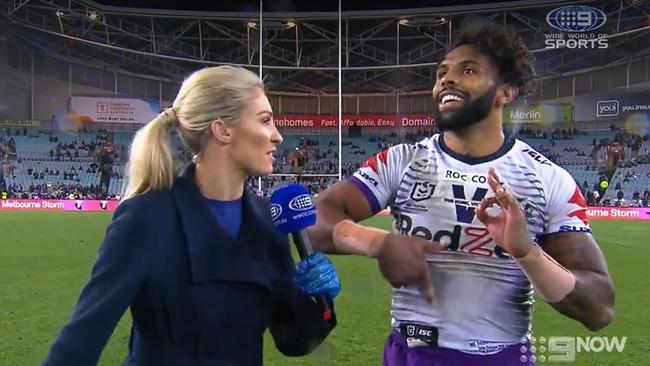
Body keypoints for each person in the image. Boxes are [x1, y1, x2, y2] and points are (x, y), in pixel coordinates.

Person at [308, 22, 614, 365]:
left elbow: (599, 308)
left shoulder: (547, 179)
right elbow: (314, 219)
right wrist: (377, 243)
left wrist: (526, 252)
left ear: (507, 91)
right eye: (441, 73)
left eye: (467, 70)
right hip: (411, 354)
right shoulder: (402, 161)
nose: (446, 80)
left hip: (502, 357)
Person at [44, 65, 340, 366]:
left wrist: (316, 301)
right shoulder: (146, 218)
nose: (277, 137)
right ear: (222, 130)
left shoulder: (269, 221)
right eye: (265, 121)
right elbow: (82, 339)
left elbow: (294, 340)